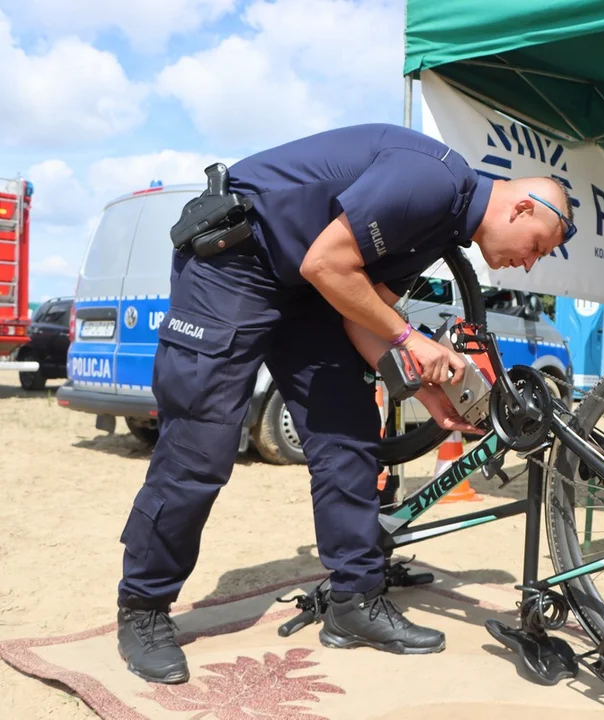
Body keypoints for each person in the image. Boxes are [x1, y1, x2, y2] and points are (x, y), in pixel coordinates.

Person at [114, 124, 575, 684]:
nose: (528, 265)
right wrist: (413, 339)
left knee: (349, 432)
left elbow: (362, 313)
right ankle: (143, 608)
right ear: (522, 209)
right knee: (201, 445)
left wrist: (435, 398)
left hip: (307, 290)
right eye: (537, 250)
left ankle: (354, 602)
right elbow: (327, 266)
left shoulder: (444, 230)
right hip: (235, 265)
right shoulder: (429, 180)